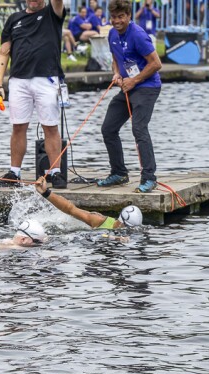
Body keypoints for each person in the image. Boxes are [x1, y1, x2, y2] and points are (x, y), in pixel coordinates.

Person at [0, 0, 68, 189]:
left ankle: (56, 172)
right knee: (18, 127)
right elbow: (4, 52)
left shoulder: (53, 13)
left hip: (47, 79)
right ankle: (15, 172)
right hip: (19, 80)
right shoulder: (14, 19)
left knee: (50, 127)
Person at [97, 0, 162, 194]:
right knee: (108, 128)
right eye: (114, 17)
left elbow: (156, 63)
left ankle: (149, 178)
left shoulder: (138, 35)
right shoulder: (112, 34)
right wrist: (116, 73)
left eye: (121, 17)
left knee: (139, 128)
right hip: (128, 86)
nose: (117, 21)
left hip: (147, 86)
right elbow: (117, 58)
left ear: (128, 16)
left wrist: (134, 81)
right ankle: (119, 173)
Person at [36, 178, 143, 228]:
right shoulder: (99, 220)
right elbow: (70, 209)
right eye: (127, 227)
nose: (129, 231)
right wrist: (46, 192)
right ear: (121, 221)